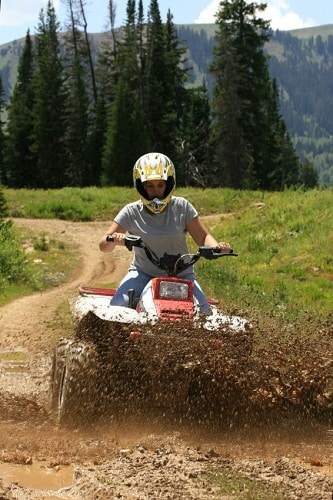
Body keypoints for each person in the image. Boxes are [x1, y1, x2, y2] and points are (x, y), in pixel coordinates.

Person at [99, 152, 232, 313]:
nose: (156, 191)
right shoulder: (131, 211)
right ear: (141, 186)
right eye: (150, 186)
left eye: (160, 185)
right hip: (143, 274)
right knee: (117, 310)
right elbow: (103, 245)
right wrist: (114, 239)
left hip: (182, 276)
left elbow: (203, 237)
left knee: (205, 315)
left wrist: (216, 247)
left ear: (169, 184)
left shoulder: (182, 207)